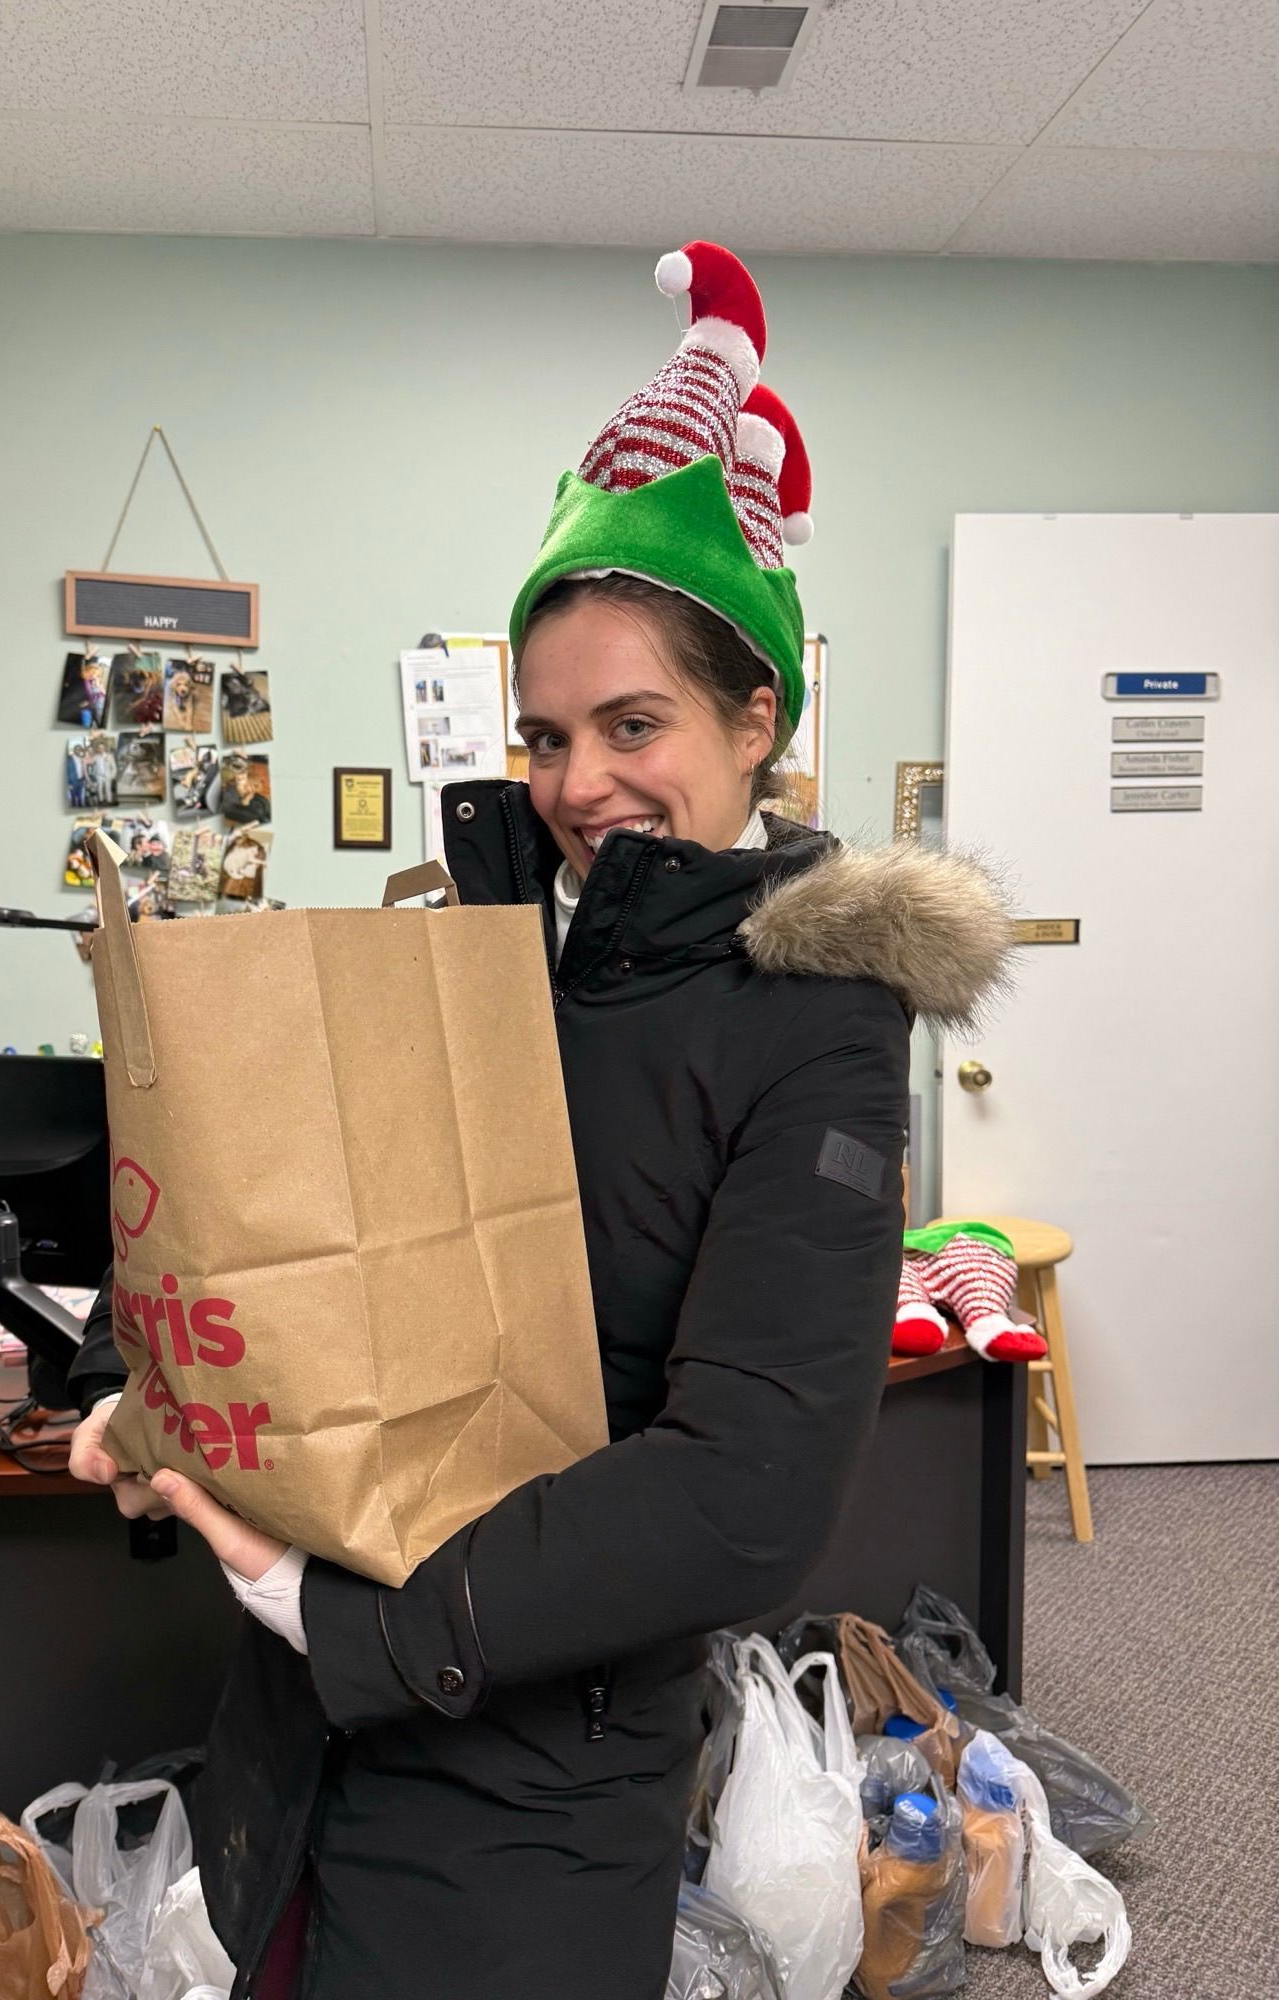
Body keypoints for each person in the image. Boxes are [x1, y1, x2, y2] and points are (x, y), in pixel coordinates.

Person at [67, 241, 1014, 1999]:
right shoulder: (477, 961)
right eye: (547, 732)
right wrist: (176, 1410)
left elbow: (741, 1494)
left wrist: (348, 1622)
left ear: (759, 726)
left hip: (531, 1783)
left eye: (636, 722)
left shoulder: (814, 1035)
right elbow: (334, 1284)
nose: (580, 783)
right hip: (301, 1748)